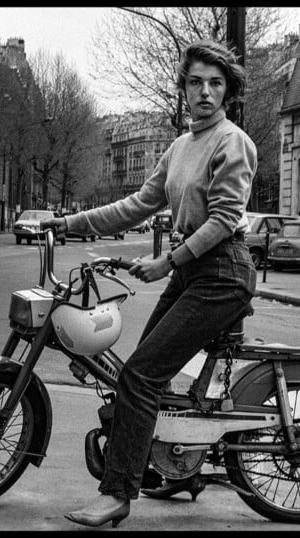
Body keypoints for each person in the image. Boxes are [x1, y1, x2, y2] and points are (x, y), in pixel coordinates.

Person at [42, 39, 257, 528]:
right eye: (196, 82)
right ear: (183, 88)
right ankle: (180, 468)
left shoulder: (232, 141)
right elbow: (136, 204)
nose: (206, 92)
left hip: (223, 272)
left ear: (227, 92)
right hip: (194, 271)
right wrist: (70, 223)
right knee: (139, 374)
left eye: (216, 84)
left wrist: (168, 261)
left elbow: (224, 219)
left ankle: (116, 493)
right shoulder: (181, 146)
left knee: (141, 375)